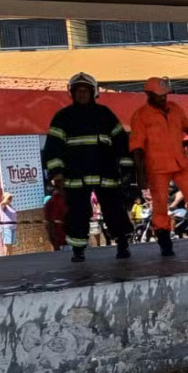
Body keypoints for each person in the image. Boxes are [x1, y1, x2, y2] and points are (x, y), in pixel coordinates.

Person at [42, 72, 135, 262]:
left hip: (106, 174)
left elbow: (121, 142)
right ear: (72, 93)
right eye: (78, 91)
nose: (82, 94)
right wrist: (56, 173)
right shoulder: (63, 118)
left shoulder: (105, 115)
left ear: (93, 93)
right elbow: (53, 148)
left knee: (114, 210)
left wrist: (126, 169)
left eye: (85, 91)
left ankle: (123, 244)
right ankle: (78, 250)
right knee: (77, 214)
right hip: (76, 177)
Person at [129, 77, 188, 256]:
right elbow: (137, 148)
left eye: (164, 95)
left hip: (180, 163)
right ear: (149, 94)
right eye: (158, 95)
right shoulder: (141, 116)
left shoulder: (175, 109)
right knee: (160, 206)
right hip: (157, 167)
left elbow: (187, 124)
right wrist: (140, 175)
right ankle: (165, 243)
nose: (162, 98)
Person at [43, 182, 68, 252]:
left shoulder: (50, 202)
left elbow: (48, 225)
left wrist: (53, 241)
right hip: (66, 240)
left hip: (61, 241)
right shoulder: (66, 200)